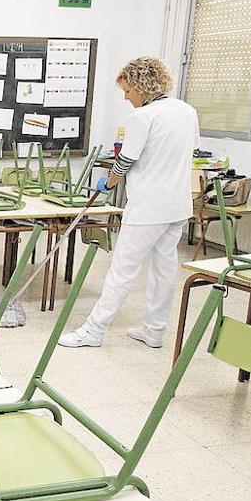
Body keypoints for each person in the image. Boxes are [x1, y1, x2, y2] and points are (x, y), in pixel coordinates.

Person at [58, 57, 198, 349]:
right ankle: (154, 331)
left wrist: (106, 183)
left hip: (148, 208)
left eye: (127, 91)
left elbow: (125, 160)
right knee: (164, 269)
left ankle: (94, 330)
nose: (126, 97)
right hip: (178, 207)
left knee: (121, 271)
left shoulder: (143, 117)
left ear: (141, 86)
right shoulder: (186, 111)